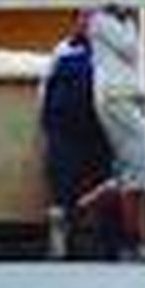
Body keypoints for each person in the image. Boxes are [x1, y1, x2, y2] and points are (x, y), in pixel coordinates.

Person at [78, 0, 145, 258]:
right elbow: (130, 49)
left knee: (135, 167)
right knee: (139, 166)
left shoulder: (125, 18)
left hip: (128, 95)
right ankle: (131, 240)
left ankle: (92, 202)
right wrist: (132, 13)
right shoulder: (102, 19)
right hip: (113, 96)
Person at [39, 14, 112, 259]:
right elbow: (46, 86)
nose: (88, 22)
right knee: (62, 187)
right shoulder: (63, 50)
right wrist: (47, 124)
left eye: (92, 16)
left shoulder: (112, 48)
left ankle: (106, 243)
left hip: (101, 129)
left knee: (102, 184)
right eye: (83, 17)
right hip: (64, 130)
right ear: (75, 21)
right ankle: (62, 243)